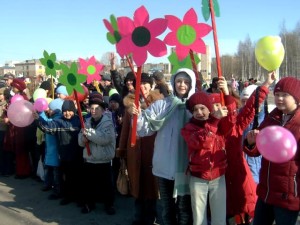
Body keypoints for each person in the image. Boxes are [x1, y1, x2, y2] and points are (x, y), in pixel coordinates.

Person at [130, 68, 196, 225]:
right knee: (167, 209)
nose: (182, 85)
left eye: (186, 82)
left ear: (191, 84)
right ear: (173, 82)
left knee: (184, 209)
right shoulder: (162, 105)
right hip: (164, 167)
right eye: (179, 81)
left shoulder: (195, 107)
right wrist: (137, 116)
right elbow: (144, 129)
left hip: (187, 168)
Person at [244, 76, 300, 225]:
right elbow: (256, 151)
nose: (279, 99)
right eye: (277, 95)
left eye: (284, 95)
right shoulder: (272, 117)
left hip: (288, 195)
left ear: (296, 98)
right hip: (266, 192)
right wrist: (251, 143)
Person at [181, 78, 235, 225]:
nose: (199, 112)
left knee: (219, 218)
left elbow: (231, 118)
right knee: (199, 219)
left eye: (202, 108)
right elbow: (203, 142)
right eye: (195, 110)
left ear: (209, 108)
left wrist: (226, 93)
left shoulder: (219, 124)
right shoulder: (188, 128)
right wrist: (213, 121)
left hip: (218, 177)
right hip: (198, 178)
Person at [119, 73, 163, 225]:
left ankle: (151, 217)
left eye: (146, 84)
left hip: (153, 150)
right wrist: (122, 150)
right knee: (137, 184)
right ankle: (138, 217)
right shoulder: (130, 105)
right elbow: (125, 130)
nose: (143, 86)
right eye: (140, 84)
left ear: (151, 86)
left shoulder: (159, 103)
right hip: (135, 151)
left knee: (152, 185)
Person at [33, 100, 83, 206]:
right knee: (67, 177)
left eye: (70, 110)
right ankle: (68, 196)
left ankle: (79, 198)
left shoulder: (79, 121)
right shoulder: (59, 121)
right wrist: (38, 120)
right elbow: (47, 127)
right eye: (65, 111)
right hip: (64, 154)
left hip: (78, 155)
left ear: (74, 111)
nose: (67, 113)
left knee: (78, 178)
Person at [78, 92, 116, 215]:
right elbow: (80, 140)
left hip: (103, 159)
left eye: (97, 108)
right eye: (91, 108)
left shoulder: (108, 123)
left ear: (103, 110)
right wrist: (83, 140)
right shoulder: (86, 122)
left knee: (106, 185)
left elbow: (104, 139)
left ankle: (109, 205)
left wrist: (88, 134)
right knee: (89, 185)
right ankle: (89, 204)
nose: (93, 111)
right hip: (90, 159)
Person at [39, 98, 64, 201]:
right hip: (50, 152)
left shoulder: (56, 121)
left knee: (56, 173)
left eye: (50, 108)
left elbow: (47, 124)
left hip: (54, 153)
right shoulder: (53, 118)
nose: (48, 109)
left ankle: (57, 191)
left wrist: (40, 114)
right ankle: (49, 184)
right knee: (50, 170)